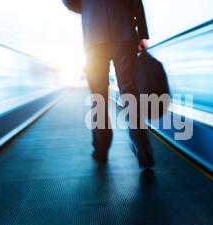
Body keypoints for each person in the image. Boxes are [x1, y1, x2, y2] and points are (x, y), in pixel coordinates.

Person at [62, 0, 155, 167]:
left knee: (98, 95)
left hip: (94, 35)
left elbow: (69, 2)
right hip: (124, 32)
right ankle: (144, 151)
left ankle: (101, 149)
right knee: (130, 92)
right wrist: (142, 33)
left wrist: (89, 8)